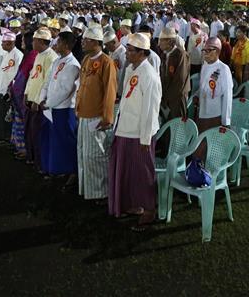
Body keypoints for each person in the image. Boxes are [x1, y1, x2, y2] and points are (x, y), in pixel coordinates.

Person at [109, 32, 162, 231]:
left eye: (130, 51)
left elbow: (151, 110)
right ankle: (133, 204)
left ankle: (149, 210)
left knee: (143, 172)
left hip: (140, 134)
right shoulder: (132, 69)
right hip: (125, 128)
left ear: (142, 53)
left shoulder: (150, 75)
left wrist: (145, 138)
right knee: (127, 171)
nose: (127, 54)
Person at [75, 24, 118, 203]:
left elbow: (110, 92)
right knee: (84, 153)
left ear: (97, 42)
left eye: (87, 40)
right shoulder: (86, 59)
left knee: (97, 156)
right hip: (84, 114)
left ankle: (102, 192)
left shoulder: (106, 62)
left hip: (97, 117)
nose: (83, 42)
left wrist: (107, 117)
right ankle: (89, 190)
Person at [39, 32, 81, 184]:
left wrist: (47, 102)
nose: (56, 44)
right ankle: (58, 169)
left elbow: (66, 90)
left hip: (64, 109)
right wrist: (42, 98)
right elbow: (48, 81)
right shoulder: (57, 61)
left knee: (66, 141)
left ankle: (72, 172)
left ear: (67, 45)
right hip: (52, 107)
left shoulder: (73, 65)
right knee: (56, 141)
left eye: (59, 42)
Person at [24, 29, 59, 167]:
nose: (32, 43)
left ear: (41, 42)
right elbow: (33, 76)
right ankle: (32, 157)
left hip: (39, 103)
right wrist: (26, 93)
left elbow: (47, 82)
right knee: (30, 132)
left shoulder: (51, 57)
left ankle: (41, 162)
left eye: (34, 40)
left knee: (39, 134)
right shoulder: (38, 54)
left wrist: (38, 100)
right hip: (31, 99)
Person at [195, 37, 233, 158]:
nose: (205, 54)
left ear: (216, 51)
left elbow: (228, 96)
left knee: (210, 147)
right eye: (204, 50)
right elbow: (202, 87)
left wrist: (226, 120)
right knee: (199, 144)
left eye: (208, 51)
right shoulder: (205, 65)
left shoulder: (223, 69)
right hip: (201, 111)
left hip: (214, 114)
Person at [0, 31, 23, 143]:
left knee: (5, 115)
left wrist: (10, 90)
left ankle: (5, 137)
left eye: (4, 43)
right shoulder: (7, 53)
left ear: (10, 43)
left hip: (8, 91)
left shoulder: (18, 55)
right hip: (1, 89)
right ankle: (1, 136)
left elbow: (17, 76)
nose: (1, 45)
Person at [158, 26, 190, 120]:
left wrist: (167, 96)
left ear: (170, 41)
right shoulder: (164, 54)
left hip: (177, 98)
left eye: (162, 40)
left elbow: (180, 81)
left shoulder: (181, 55)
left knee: (177, 125)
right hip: (165, 97)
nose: (159, 44)